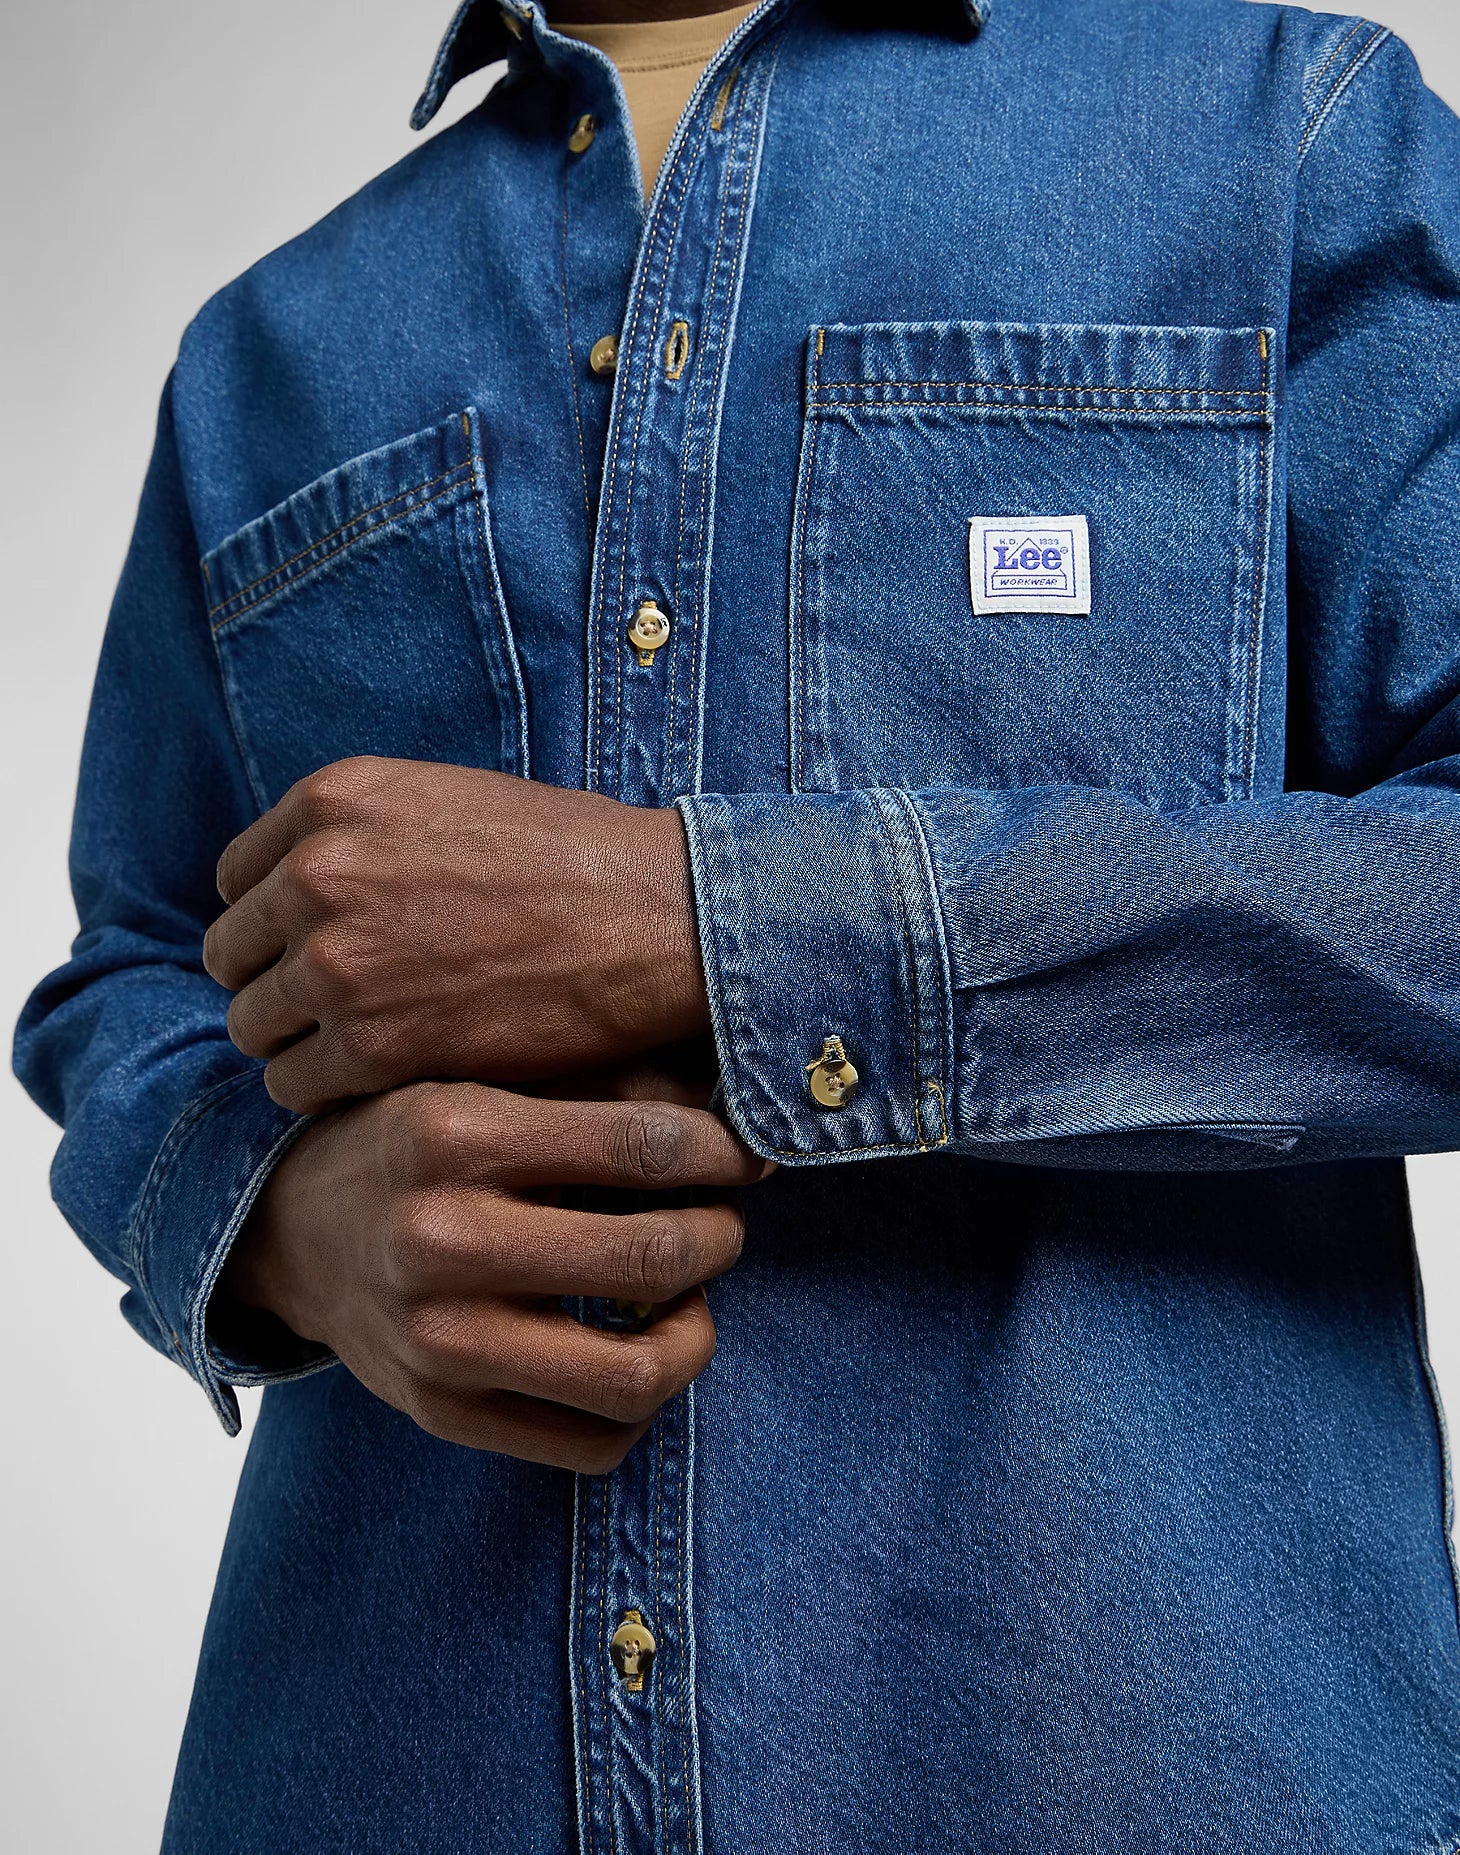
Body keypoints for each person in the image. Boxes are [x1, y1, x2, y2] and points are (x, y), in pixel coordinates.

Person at [15, 0, 1460, 1845]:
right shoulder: (262, 360)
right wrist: (286, 1230)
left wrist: (706, 923)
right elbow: (133, 966)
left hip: (1118, 1772)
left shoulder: (1283, 141)